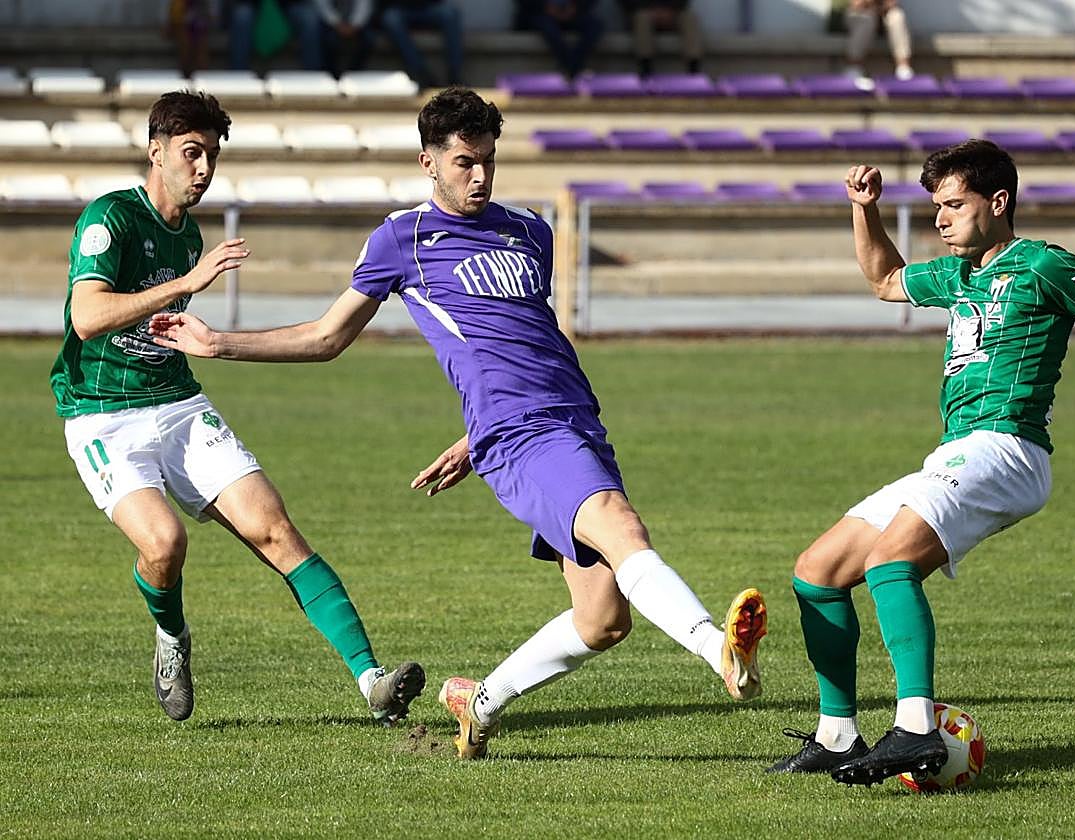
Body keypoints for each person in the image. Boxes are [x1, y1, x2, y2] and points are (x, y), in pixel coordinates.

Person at [148, 86, 769, 759]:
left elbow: (522, 340)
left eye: (488, 162)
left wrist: (474, 435)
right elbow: (327, 337)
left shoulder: (531, 230)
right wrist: (218, 344)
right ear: (430, 163)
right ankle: (719, 651)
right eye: (465, 163)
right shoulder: (402, 237)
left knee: (603, 618)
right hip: (524, 436)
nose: (479, 176)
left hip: (572, 421)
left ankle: (479, 703)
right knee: (621, 526)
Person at [767, 139, 1075, 785]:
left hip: (1007, 448)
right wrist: (865, 209)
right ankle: (837, 735)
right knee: (817, 571)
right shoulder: (957, 272)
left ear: (998, 202)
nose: (941, 218)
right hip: (958, 449)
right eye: (936, 205)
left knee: (890, 561)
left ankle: (915, 729)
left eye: (954, 204)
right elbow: (885, 281)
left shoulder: (1042, 264)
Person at [50, 90, 424, 725]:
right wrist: (185, 284)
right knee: (163, 544)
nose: (202, 169)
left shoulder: (189, 235)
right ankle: (171, 635)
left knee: (275, 527)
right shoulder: (110, 219)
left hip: (176, 402)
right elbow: (87, 317)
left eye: (211, 157)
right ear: (155, 150)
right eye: (190, 153)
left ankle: (372, 682)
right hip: (100, 415)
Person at [366, 0, 464, 88]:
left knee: (450, 14)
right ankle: (421, 74)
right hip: (399, 9)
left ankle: (454, 76)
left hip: (427, 7)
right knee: (390, 19)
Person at [225, 0, 326, 71]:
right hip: (253, 5)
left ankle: (313, 75)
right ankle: (238, 74)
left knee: (309, 18)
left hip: (287, 5)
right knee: (241, 16)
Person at [517, 0, 605, 80]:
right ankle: (572, 71)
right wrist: (545, 7)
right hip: (540, 13)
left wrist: (575, 7)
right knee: (549, 30)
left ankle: (571, 70)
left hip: (574, 13)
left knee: (595, 26)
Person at [618, 0, 704, 77]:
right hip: (642, 12)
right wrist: (649, 10)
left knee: (690, 18)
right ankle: (646, 69)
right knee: (642, 19)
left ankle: (694, 69)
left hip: (672, 12)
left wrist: (669, 10)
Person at [844, 0, 914, 89]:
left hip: (884, 12)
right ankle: (853, 67)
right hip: (862, 13)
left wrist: (881, 7)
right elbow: (857, 4)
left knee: (897, 17)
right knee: (866, 20)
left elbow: (892, 3)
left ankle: (903, 68)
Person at [167, 0, 212, 76]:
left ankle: (201, 73)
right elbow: (175, 18)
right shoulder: (178, 3)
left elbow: (207, 16)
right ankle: (185, 70)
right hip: (181, 25)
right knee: (185, 40)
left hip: (198, 26)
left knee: (200, 42)